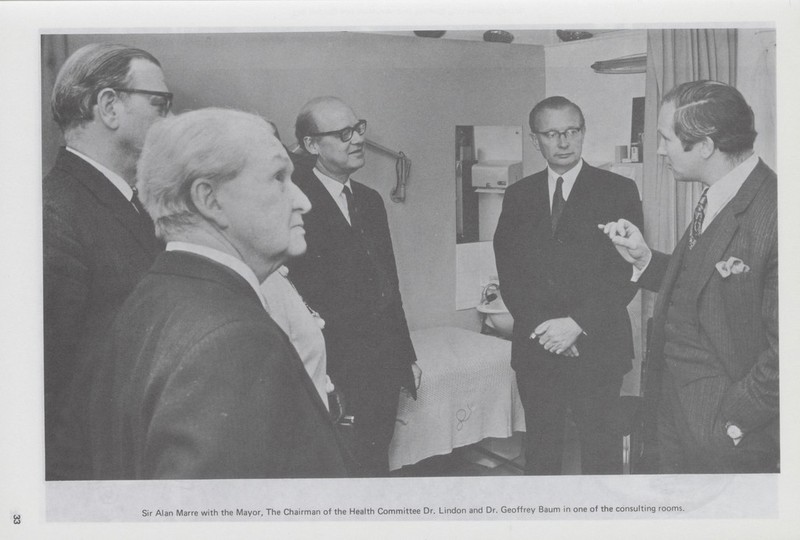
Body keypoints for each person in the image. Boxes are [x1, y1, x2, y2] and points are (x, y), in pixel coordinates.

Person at [89, 108, 349, 479]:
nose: (303, 201)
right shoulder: (234, 340)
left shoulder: (154, 295)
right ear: (209, 200)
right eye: (278, 177)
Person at [600, 80, 778, 473]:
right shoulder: (716, 194)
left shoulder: (777, 211)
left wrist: (733, 420)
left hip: (728, 435)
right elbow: (700, 287)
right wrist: (645, 259)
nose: (660, 150)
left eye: (666, 138)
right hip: (672, 412)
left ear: (706, 146)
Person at [494, 96, 643, 475]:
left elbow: (626, 272)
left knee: (601, 454)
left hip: (598, 346)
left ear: (582, 132)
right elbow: (509, 272)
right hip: (538, 348)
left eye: (572, 131)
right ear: (535, 140)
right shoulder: (518, 195)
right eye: (552, 133)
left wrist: (575, 324)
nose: (563, 142)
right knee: (541, 454)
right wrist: (548, 331)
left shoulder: (618, 190)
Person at [43, 43, 169, 479]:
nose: (168, 120)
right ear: (109, 106)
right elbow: (48, 387)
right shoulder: (51, 213)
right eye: (160, 104)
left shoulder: (133, 205)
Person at [288, 96, 420, 477]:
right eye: (343, 133)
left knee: (374, 465)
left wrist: (405, 354)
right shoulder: (296, 202)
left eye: (358, 128)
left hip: (380, 365)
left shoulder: (370, 200)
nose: (357, 139)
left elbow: (388, 283)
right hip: (331, 369)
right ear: (312, 145)